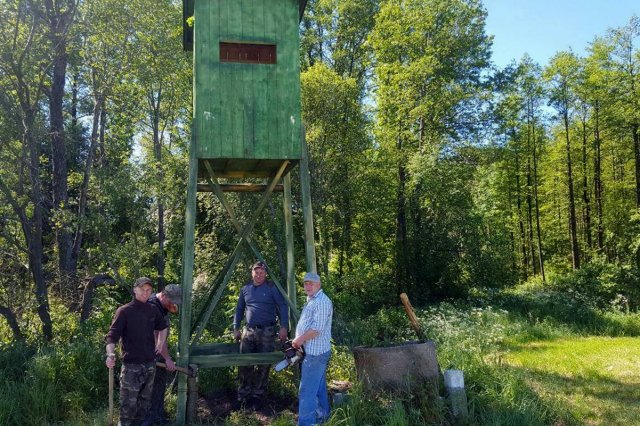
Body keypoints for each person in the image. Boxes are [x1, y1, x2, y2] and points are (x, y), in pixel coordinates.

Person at [105, 277, 168, 426]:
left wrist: (160, 342)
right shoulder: (124, 311)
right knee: (128, 407)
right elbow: (111, 337)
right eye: (142, 289)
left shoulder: (153, 309)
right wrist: (110, 354)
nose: (145, 293)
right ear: (134, 290)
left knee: (144, 406)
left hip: (150, 365)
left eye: (148, 290)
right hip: (131, 367)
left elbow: (163, 326)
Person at [233, 261, 289, 409]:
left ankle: (257, 397)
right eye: (256, 272)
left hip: (267, 331)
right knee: (245, 363)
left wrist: (284, 327)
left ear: (265, 274)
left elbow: (282, 306)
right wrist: (235, 328)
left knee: (264, 365)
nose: (259, 275)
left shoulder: (271, 288)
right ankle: (243, 396)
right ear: (252, 273)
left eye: (262, 272)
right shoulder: (246, 288)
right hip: (249, 331)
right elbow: (239, 309)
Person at [292, 272, 333, 426]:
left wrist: (298, 340)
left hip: (316, 354)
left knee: (306, 392)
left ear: (319, 285)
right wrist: (299, 340)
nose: (308, 286)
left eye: (311, 283)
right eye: (305, 283)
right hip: (313, 351)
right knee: (318, 388)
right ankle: (323, 418)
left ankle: (306, 423)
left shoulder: (322, 301)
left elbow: (316, 329)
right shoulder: (312, 300)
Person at [142, 284, 182, 426]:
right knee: (152, 386)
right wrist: (168, 359)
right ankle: (150, 419)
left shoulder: (158, 303)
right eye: (171, 301)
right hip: (151, 354)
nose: (173, 304)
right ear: (163, 295)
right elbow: (158, 339)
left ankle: (157, 415)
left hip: (151, 352)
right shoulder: (153, 308)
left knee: (155, 386)